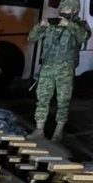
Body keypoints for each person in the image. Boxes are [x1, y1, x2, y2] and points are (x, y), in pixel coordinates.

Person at [27, 0, 91, 141]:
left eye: (68, 9)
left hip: (65, 70)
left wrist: (69, 25)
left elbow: (84, 37)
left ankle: (58, 131)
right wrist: (40, 26)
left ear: (74, 11)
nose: (64, 11)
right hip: (47, 67)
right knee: (42, 98)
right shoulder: (52, 24)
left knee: (63, 101)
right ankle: (39, 130)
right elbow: (32, 37)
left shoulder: (80, 25)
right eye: (63, 8)